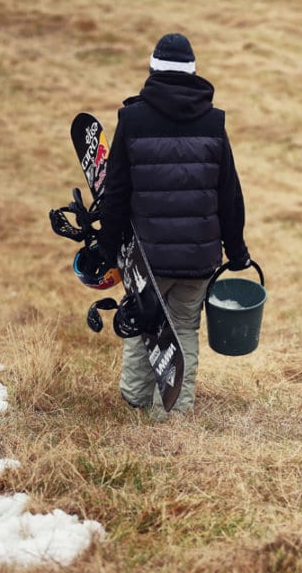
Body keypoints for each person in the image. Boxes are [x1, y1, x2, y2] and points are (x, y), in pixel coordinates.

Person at [98, 33, 250, 415]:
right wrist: (237, 251)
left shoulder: (132, 120)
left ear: (152, 71)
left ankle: (136, 401)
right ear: (193, 74)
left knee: (143, 323)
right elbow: (229, 194)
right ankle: (175, 411)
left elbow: (115, 192)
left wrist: (106, 247)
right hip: (198, 258)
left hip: (146, 258)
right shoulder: (213, 123)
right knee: (183, 329)